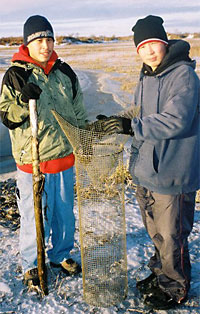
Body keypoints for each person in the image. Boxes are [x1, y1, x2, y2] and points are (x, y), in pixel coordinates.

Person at [96, 15, 200, 310]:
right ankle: (160, 274)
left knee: (172, 235)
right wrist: (119, 121)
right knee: (154, 230)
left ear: (165, 42)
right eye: (143, 46)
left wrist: (132, 127)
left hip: (173, 172)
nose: (150, 51)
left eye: (154, 43)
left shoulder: (183, 75)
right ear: (137, 51)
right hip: (147, 170)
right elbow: (139, 114)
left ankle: (175, 287)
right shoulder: (146, 76)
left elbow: (175, 120)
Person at [0, 15, 87, 290]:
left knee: (64, 214)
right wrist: (24, 101)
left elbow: (78, 111)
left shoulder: (65, 72)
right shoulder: (16, 74)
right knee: (34, 215)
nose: (46, 45)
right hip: (32, 163)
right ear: (28, 43)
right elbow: (7, 115)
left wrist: (83, 140)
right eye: (39, 40)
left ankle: (60, 255)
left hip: (64, 158)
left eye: (49, 39)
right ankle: (30, 264)